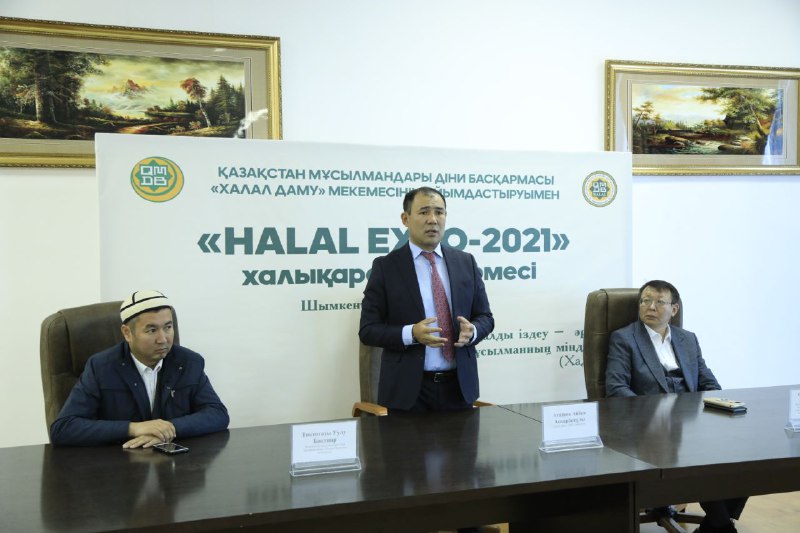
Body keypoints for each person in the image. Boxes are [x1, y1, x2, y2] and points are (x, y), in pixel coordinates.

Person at [605, 280, 746, 533]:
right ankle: (722, 526)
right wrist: (656, 416)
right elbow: (616, 389)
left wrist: (718, 411)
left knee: (743, 451)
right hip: (649, 427)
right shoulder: (624, 338)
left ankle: (717, 523)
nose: (651, 307)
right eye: (645, 301)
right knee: (698, 458)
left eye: (659, 302)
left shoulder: (687, 339)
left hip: (690, 421)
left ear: (674, 309)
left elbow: (708, 382)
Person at [359, 187, 494, 413]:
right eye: (423, 212)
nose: (433, 220)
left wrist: (473, 331)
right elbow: (368, 330)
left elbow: (485, 317)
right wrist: (411, 333)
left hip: (459, 388)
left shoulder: (465, 262)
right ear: (405, 218)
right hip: (407, 393)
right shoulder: (386, 267)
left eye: (439, 212)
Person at [50, 290, 229, 448]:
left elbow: (218, 414)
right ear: (127, 333)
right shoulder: (101, 367)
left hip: (175, 466)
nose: (163, 339)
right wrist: (133, 428)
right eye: (152, 330)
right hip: (118, 466)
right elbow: (63, 428)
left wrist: (169, 429)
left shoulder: (189, 362)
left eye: (168, 327)